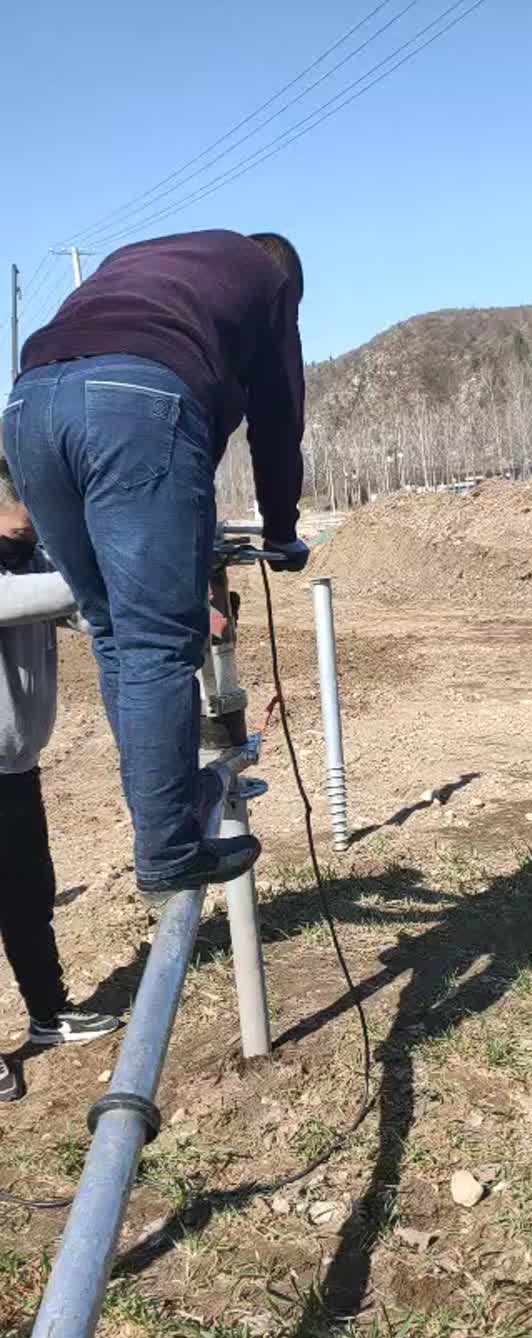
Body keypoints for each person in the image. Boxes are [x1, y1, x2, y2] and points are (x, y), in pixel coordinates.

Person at [1, 229, 310, 898]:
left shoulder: (146, 264)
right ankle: (169, 846)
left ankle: (164, 812)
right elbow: (278, 415)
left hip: (28, 403)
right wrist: (283, 532)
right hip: (131, 401)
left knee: (111, 624)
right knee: (159, 640)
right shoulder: (270, 277)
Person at [0, 459, 118, 1103]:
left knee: (28, 900)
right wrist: (122, 560)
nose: (40, 510)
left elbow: (82, 611)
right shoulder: (26, 576)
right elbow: (57, 596)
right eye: (29, 498)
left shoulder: (30, 560)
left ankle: (49, 1015)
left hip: (16, 768)